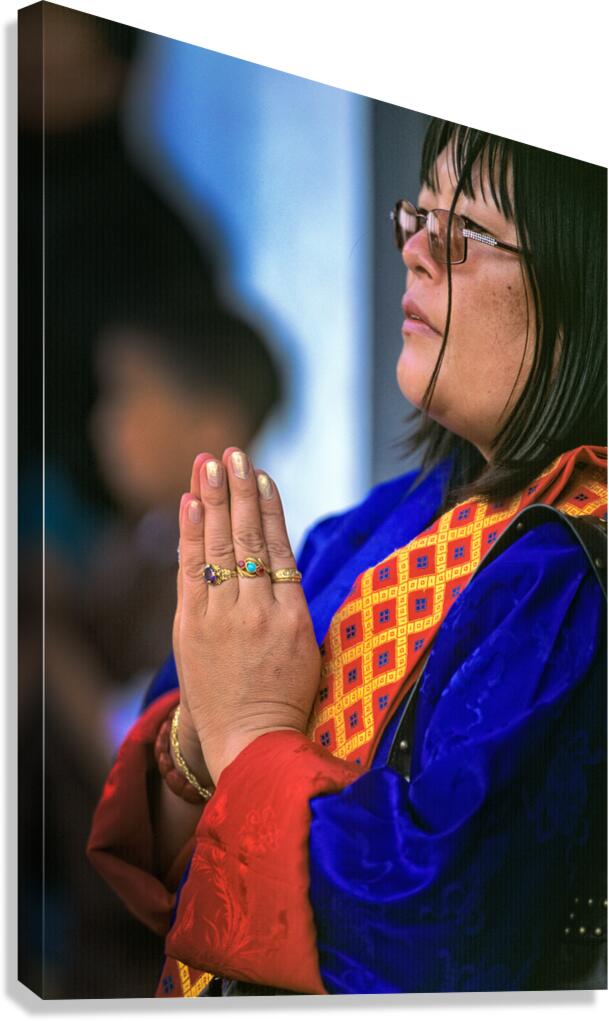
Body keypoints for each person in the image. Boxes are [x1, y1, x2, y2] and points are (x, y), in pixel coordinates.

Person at [87, 118, 607, 996]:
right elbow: (168, 811)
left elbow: (436, 934)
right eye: (418, 216)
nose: (415, 252)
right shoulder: (383, 520)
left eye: (467, 234)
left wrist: (247, 736)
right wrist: (198, 735)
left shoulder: (574, 581)